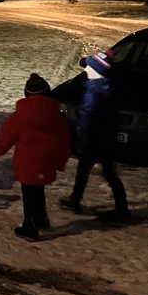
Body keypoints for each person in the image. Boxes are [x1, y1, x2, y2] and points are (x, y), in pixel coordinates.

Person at [0, 74, 72, 241]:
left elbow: (7, 136)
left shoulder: (21, 114)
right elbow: (65, 139)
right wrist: (61, 162)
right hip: (47, 161)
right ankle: (41, 219)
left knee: (29, 195)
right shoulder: (55, 113)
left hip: (28, 163)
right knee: (38, 190)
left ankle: (30, 228)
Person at [59, 51, 131, 222]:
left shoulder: (95, 93)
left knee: (96, 172)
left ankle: (121, 210)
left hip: (94, 140)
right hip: (104, 139)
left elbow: (89, 118)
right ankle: (77, 201)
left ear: (97, 71)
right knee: (102, 172)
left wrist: (84, 136)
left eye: (90, 68)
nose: (87, 70)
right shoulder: (104, 86)